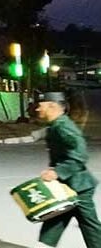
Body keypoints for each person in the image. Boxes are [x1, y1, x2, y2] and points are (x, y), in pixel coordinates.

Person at [34, 91, 101, 248]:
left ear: (52, 106)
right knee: (55, 220)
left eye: (40, 105)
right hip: (67, 186)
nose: (37, 109)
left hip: (79, 186)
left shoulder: (63, 127)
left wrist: (57, 172)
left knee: (89, 226)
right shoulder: (55, 126)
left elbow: (80, 155)